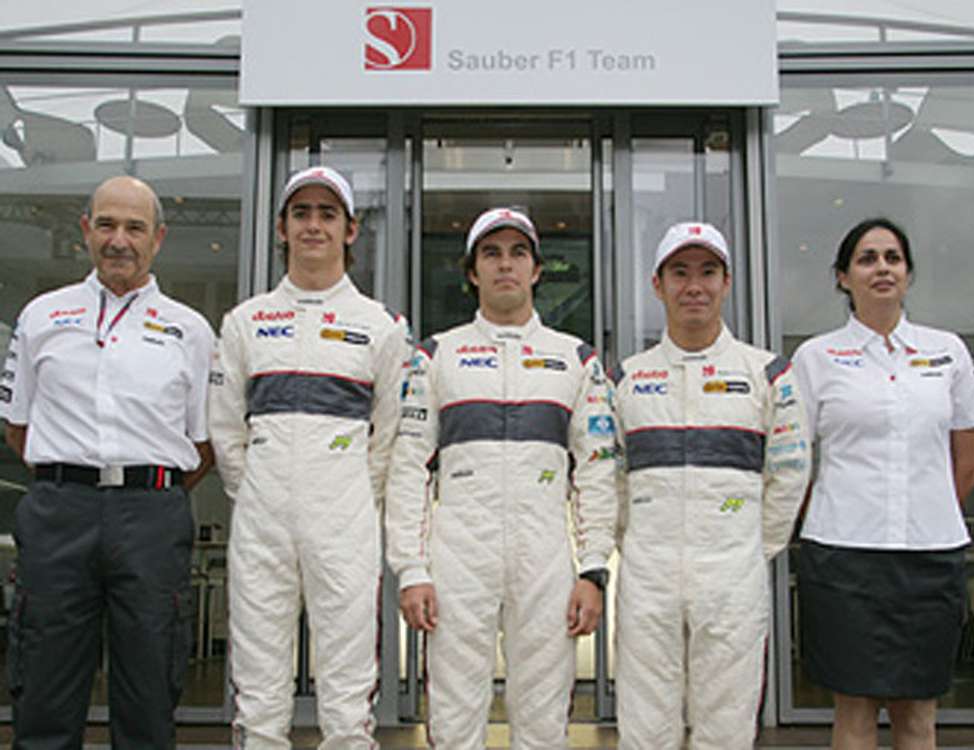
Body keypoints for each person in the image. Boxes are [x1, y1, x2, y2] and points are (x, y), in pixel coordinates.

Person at [385, 207, 617, 750]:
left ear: (537, 269)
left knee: (544, 720)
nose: (505, 265)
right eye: (491, 254)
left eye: (518, 253)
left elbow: (598, 471)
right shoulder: (434, 356)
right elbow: (408, 467)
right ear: (472, 272)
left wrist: (593, 569)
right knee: (452, 716)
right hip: (458, 557)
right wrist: (411, 569)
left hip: (545, 559)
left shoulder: (576, 360)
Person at [0, 176, 215, 749]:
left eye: (134, 228)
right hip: (59, 513)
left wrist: (146, 488)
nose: (120, 240)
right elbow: (18, 426)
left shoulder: (191, 330)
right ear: (85, 230)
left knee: (148, 692)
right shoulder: (41, 316)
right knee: (43, 688)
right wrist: (75, 478)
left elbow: (203, 443)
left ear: (158, 238)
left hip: (151, 518)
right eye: (107, 225)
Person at [209, 165, 410, 749]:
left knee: (348, 694)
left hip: (345, 522)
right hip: (261, 522)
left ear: (350, 229)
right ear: (282, 228)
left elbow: (389, 436)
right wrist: (260, 490)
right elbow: (225, 429)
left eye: (327, 214)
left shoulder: (382, 326)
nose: (313, 226)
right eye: (301, 213)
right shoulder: (245, 322)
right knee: (258, 692)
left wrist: (349, 493)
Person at [791, 217, 974, 750]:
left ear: (907, 273)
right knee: (854, 711)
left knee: (919, 713)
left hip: (930, 559)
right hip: (843, 560)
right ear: (843, 277)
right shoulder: (815, 357)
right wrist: (834, 512)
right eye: (867, 259)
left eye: (892, 258)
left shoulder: (947, 351)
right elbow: (793, 461)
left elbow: (969, 462)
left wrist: (923, 511)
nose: (881, 268)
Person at [611, 221, 811, 749]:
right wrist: (638, 542)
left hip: (733, 575)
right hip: (647, 574)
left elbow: (789, 473)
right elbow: (611, 479)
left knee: (726, 726)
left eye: (707, 272)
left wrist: (747, 547)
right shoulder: (625, 378)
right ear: (657, 285)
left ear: (727, 282)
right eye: (680, 272)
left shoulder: (769, 373)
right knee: (644, 726)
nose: (694, 286)